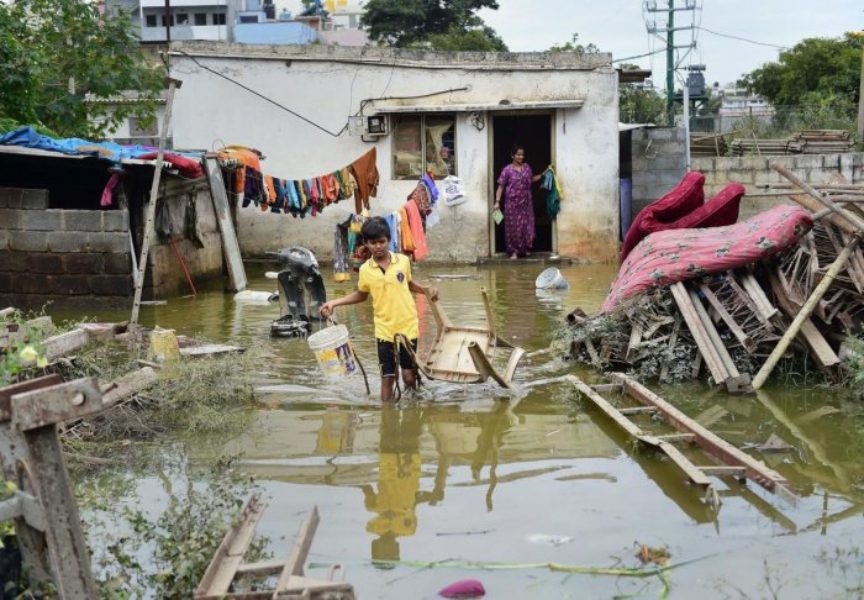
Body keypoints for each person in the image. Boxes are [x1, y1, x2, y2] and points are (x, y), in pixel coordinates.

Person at [319, 216, 438, 401]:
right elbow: (361, 294)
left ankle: (414, 407)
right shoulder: (366, 270)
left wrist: (426, 291)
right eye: (373, 243)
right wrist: (335, 302)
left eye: (382, 242)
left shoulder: (403, 261)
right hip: (384, 330)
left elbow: (408, 283)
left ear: (388, 240)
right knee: (387, 377)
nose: (378, 246)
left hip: (408, 325)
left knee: (408, 376)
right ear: (366, 243)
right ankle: (386, 417)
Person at [493, 144, 545, 260]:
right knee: (513, 228)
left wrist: (543, 175)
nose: (521, 157)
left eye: (522, 155)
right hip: (512, 204)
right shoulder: (507, 170)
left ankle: (525, 249)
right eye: (518, 155)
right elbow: (501, 186)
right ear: (512, 155)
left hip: (526, 203)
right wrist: (497, 201)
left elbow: (531, 180)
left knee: (526, 226)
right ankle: (514, 252)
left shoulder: (527, 167)